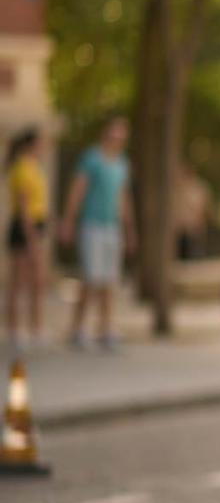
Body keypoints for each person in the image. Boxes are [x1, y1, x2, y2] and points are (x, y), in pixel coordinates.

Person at [59, 115, 136, 350]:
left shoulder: (122, 163)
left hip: (111, 226)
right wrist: (69, 220)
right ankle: (77, 327)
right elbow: (78, 190)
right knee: (90, 278)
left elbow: (123, 198)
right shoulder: (92, 158)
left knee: (109, 280)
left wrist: (130, 228)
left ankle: (105, 328)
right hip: (92, 224)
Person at [5, 126, 50, 351]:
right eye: (40, 143)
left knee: (37, 281)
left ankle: (36, 328)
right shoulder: (22, 167)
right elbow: (23, 206)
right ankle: (14, 329)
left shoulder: (35, 167)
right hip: (25, 227)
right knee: (19, 281)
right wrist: (31, 237)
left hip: (36, 225)